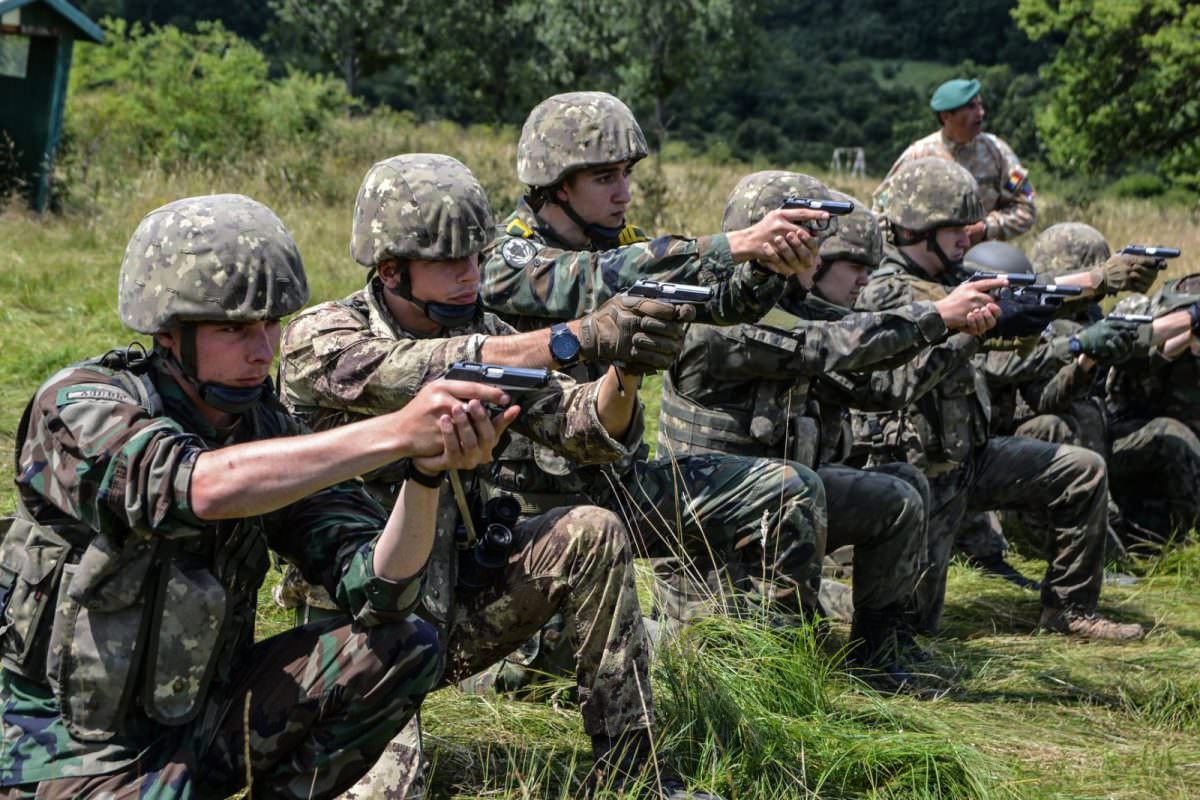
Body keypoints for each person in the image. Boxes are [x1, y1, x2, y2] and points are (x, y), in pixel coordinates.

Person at [0, 194, 516, 799]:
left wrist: (425, 473)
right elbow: (194, 486)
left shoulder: (264, 429)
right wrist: (397, 429)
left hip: (204, 720)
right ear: (169, 332)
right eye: (232, 328)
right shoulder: (81, 405)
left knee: (403, 646)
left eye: (270, 324)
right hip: (67, 752)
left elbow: (380, 591)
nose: (262, 350)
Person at [278, 153, 722, 799]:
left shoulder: (489, 330)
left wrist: (624, 370)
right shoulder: (323, 338)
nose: (470, 275)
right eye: (450, 261)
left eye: (476, 257)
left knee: (592, 531)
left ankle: (635, 773)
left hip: (459, 602)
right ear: (391, 269)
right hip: (359, 628)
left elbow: (577, 425)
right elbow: (433, 366)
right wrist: (575, 336)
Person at [479, 91, 834, 622]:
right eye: (605, 178)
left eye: (626, 174)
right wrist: (733, 243)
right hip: (534, 508)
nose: (623, 192)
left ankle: (781, 670)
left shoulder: (624, 246)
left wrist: (768, 268)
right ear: (557, 186)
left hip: (619, 482)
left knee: (789, 490)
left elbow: (719, 303)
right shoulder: (509, 258)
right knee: (540, 677)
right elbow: (583, 281)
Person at [657, 173, 1003, 684]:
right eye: (808, 240)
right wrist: (936, 315)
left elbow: (882, 387)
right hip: (713, 535)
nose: (817, 258)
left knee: (899, 494)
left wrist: (961, 333)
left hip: (783, 514)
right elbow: (832, 344)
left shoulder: (790, 308)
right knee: (736, 658)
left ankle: (880, 657)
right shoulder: (717, 318)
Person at [853, 157, 1146, 641]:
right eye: (955, 230)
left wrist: (1097, 284)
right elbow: (952, 317)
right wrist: (1093, 284)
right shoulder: (886, 288)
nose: (968, 238)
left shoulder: (952, 277)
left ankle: (1069, 611)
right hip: (915, 472)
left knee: (1082, 471)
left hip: (973, 457)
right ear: (917, 228)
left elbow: (1019, 295)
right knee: (914, 625)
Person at [873, 78, 1035, 244]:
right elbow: (881, 209)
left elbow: (1026, 207)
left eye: (980, 105)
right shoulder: (918, 156)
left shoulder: (998, 152)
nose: (981, 113)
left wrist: (987, 228)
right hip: (927, 261)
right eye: (971, 107)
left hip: (983, 258)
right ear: (946, 116)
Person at [1104, 271, 1200, 549]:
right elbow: (1126, 367)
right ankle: (1187, 542)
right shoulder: (1140, 314)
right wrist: (1180, 341)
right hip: (1127, 445)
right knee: (1175, 437)